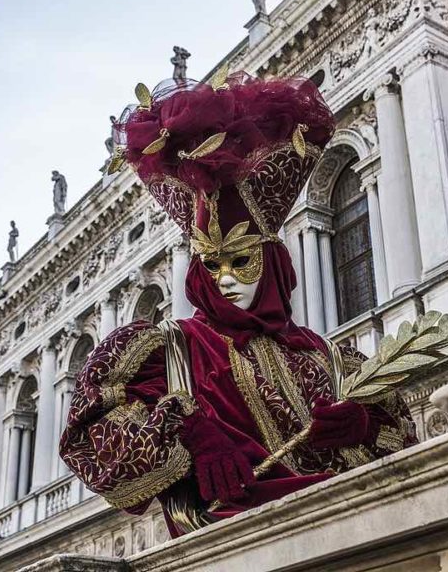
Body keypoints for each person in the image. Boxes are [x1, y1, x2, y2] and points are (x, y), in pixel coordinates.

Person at [59, 73, 417, 537]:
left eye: (242, 261)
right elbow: (90, 438)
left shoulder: (330, 360)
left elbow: (405, 446)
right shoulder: (165, 354)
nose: (224, 279)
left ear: (274, 264)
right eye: (212, 264)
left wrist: (363, 426)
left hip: (347, 534)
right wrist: (186, 432)